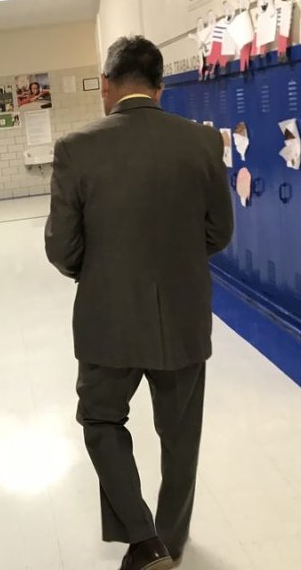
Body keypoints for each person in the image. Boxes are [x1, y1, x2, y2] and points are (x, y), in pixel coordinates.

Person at [44, 36, 233, 570]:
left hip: (108, 320)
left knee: (101, 420)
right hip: (183, 314)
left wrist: (101, 272)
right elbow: (219, 231)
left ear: (106, 86)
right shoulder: (200, 144)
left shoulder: (76, 148)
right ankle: (170, 540)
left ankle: (143, 539)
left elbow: (61, 247)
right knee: (180, 436)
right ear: (160, 87)